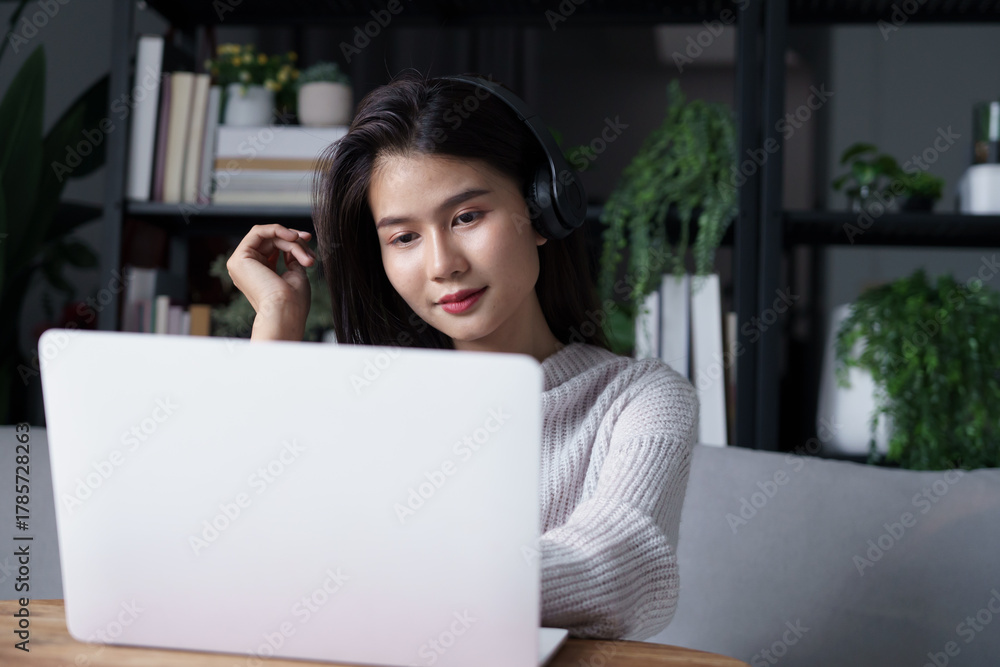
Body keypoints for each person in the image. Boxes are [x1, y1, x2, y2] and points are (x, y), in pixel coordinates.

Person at [226, 70, 699, 640]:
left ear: (543, 210)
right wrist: (276, 322)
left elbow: (618, 572)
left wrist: (381, 578)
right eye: (404, 238)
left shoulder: (640, 400)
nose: (442, 263)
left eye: (467, 217)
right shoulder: (369, 398)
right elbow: (247, 542)